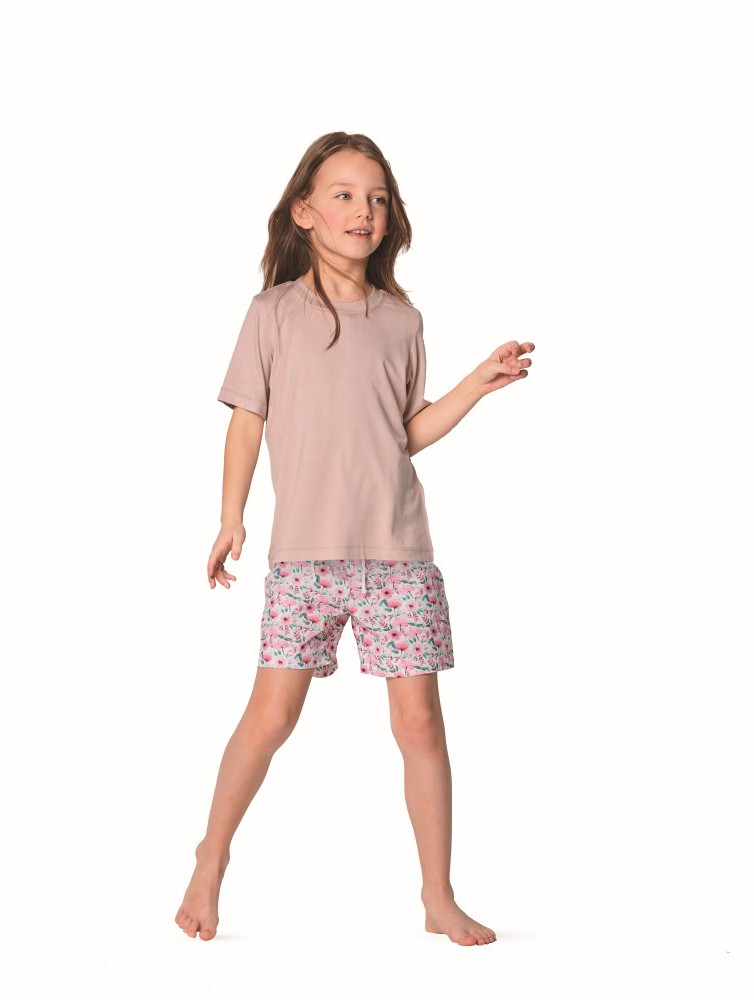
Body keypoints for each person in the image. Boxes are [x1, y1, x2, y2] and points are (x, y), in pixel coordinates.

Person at [175, 132, 534, 947]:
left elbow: (405, 433)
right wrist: (231, 516)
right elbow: (246, 422)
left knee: (421, 727)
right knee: (271, 717)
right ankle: (210, 857)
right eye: (342, 195)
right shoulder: (272, 314)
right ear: (304, 212)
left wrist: (478, 384)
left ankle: (437, 895)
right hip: (304, 556)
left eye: (376, 198)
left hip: (398, 554)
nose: (362, 211)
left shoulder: (402, 321)